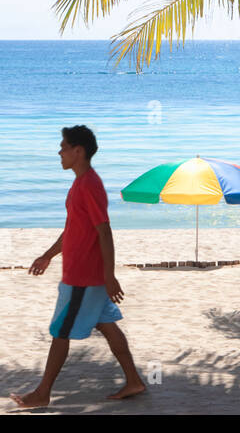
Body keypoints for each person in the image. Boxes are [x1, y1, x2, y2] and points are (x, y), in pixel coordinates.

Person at [11, 126, 146, 409]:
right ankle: (134, 380)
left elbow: (104, 231)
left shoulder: (89, 185)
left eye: (63, 147)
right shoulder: (79, 184)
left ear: (78, 151)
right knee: (108, 327)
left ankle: (42, 393)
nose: (59, 152)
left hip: (84, 278)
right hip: (83, 276)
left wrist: (109, 276)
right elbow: (73, 229)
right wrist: (47, 256)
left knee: (61, 331)